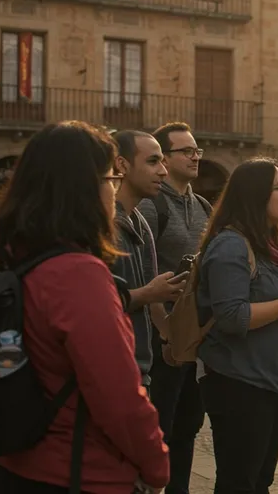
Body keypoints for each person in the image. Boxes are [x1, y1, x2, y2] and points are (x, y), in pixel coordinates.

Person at [0, 121, 168, 493]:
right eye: (109, 179)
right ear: (83, 189)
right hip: (78, 470)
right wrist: (157, 467)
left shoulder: (20, 255)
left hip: (20, 461)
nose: (113, 190)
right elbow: (119, 396)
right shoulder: (78, 273)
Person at [197, 158, 278, 493]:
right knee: (240, 482)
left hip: (269, 383)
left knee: (259, 482)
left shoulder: (268, 246)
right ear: (255, 195)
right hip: (240, 383)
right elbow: (232, 317)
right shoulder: (231, 246)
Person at [137, 122, 212, 494]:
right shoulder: (152, 207)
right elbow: (147, 276)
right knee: (160, 426)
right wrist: (164, 332)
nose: (196, 156)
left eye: (197, 150)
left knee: (188, 426)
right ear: (164, 159)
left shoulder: (202, 206)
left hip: (191, 336)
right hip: (160, 337)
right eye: (187, 151)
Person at [110, 130, 183, 389]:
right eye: (153, 162)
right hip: (115, 372)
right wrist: (150, 293)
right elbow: (96, 304)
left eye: (163, 161)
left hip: (139, 369)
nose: (164, 171)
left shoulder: (137, 221)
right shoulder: (107, 227)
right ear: (122, 165)